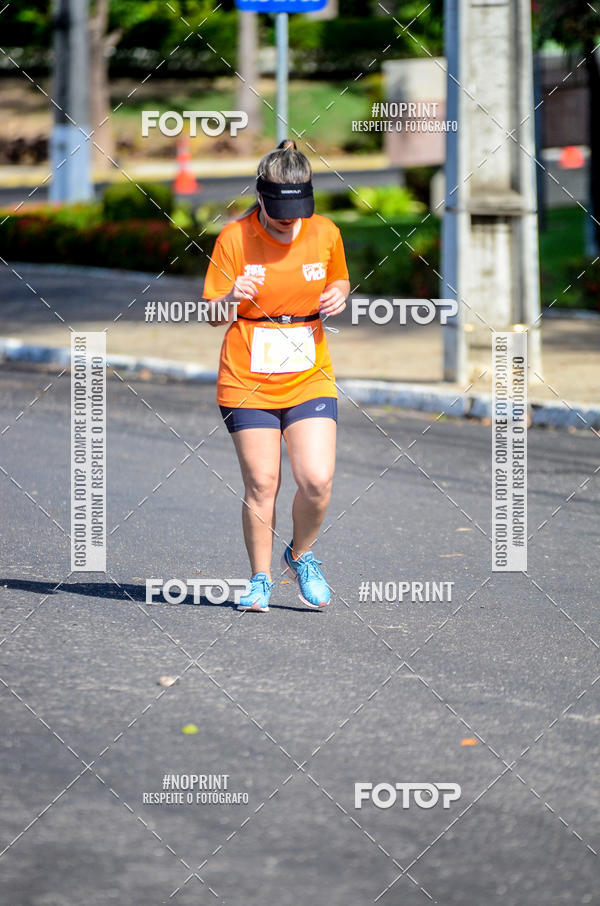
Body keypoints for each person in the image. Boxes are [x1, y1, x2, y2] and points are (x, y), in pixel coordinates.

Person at [202, 140, 350, 613]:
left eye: (299, 208)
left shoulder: (325, 231)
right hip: (247, 376)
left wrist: (338, 295)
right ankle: (260, 579)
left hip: (308, 373)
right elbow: (210, 314)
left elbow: (339, 278)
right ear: (261, 197)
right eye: (281, 209)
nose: (291, 220)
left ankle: (300, 555)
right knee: (263, 483)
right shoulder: (233, 239)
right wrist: (231, 297)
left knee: (317, 480)